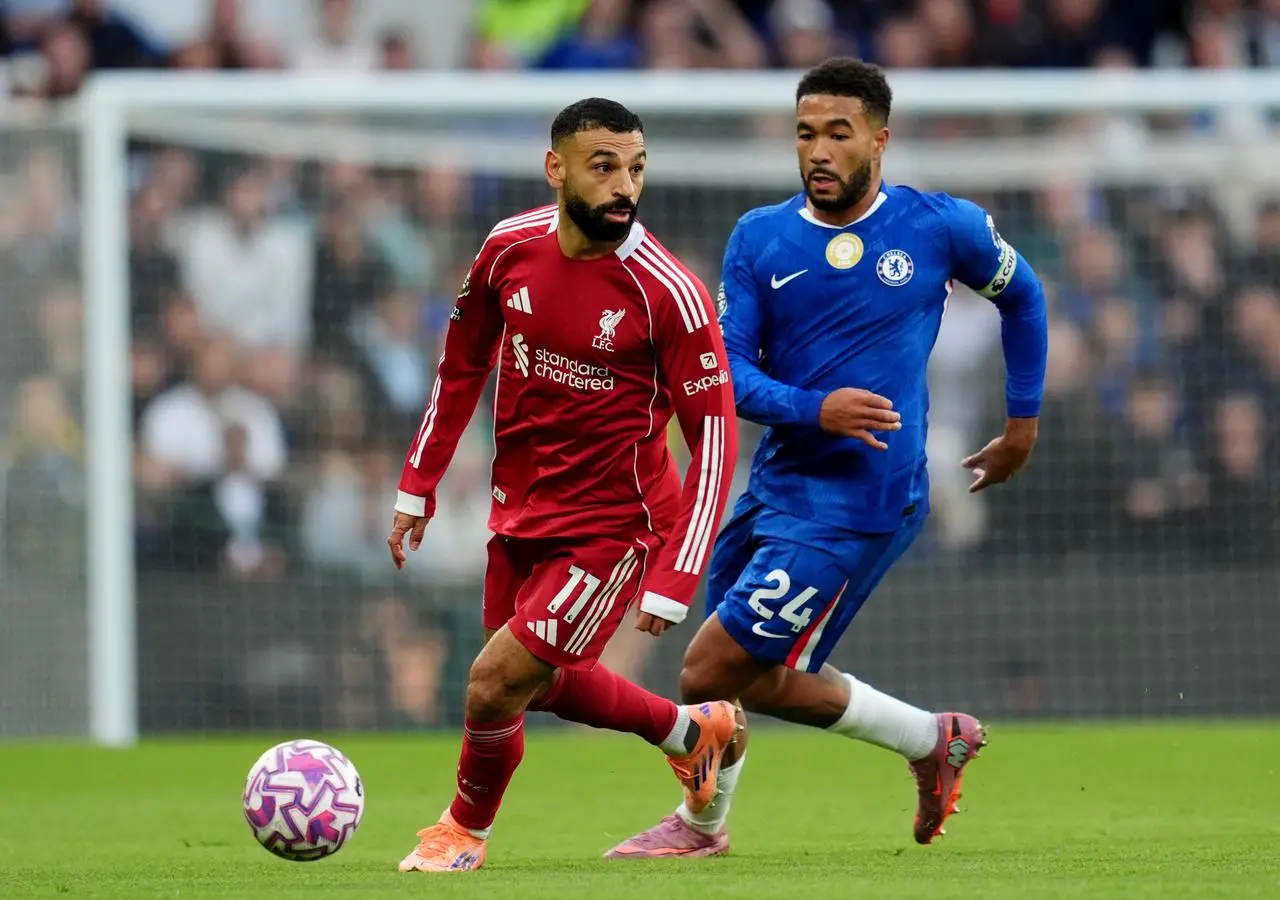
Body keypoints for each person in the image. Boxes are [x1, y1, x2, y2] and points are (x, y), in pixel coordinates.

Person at [609, 57, 1049, 859]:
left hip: (864, 501)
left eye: (838, 133)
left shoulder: (938, 227)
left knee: (704, 673)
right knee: (749, 676)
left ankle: (702, 830)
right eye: (806, 133)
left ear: (878, 141)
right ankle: (930, 739)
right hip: (778, 486)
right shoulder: (760, 238)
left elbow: (1025, 297)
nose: (818, 150)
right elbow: (727, 374)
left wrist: (1021, 426)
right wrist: (816, 408)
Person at [386, 97, 740, 873]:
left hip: (615, 524)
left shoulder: (668, 292)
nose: (624, 185)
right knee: (531, 686)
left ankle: (461, 831)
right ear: (557, 169)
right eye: (604, 166)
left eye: (636, 169)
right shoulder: (508, 248)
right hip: (520, 510)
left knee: (490, 683)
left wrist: (678, 573)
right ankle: (695, 733)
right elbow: (461, 363)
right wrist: (420, 480)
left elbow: (714, 440)